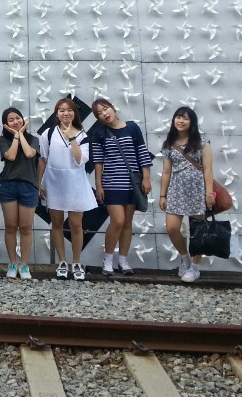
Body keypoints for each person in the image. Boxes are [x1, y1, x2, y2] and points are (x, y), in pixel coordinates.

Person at [89, 98, 152, 276]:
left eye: (105, 109)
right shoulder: (99, 133)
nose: (104, 114)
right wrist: (98, 185)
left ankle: (123, 260)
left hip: (133, 183)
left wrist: (146, 177)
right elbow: (98, 161)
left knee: (127, 223)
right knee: (117, 221)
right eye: (99, 113)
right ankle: (108, 259)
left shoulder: (132, 127)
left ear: (113, 108)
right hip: (112, 182)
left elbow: (142, 152)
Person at [38, 98, 97, 281]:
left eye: (69, 110)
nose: (66, 113)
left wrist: (71, 137)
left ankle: (76, 262)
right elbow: (43, 159)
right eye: (62, 110)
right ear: (56, 114)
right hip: (54, 182)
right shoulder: (48, 133)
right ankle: (62, 261)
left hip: (76, 183)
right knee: (56, 223)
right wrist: (38, 182)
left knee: (76, 224)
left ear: (74, 113)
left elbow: (79, 160)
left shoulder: (83, 135)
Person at [159, 106, 214, 283]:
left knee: (198, 231)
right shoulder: (169, 144)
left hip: (198, 190)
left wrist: (209, 193)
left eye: (185, 118)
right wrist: (162, 195)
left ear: (192, 122)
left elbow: (208, 169)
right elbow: (166, 172)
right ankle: (185, 259)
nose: (181, 121)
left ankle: (195, 268)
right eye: (178, 117)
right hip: (176, 190)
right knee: (172, 227)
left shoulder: (202, 141)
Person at [0, 107, 40, 280]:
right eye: (11, 120)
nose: (16, 121)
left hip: (29, 186)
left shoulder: (33, 139)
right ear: (5, 124)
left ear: (23, 119)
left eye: (18, 118)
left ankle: (24, 264)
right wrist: (15, 136)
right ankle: (13, 263)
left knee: (26, 228)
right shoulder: (1, 140)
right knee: (11, 226)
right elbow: (11, 156)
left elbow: (29, 153)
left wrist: (21, 135)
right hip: (9, 186)